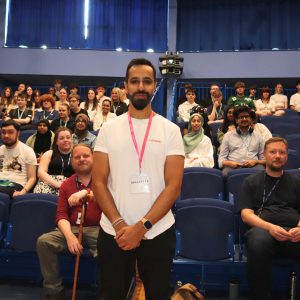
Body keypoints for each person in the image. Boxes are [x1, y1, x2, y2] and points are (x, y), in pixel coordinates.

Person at [92, 58, 184, 300]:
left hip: (157, 231)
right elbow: (98, 182)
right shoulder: (109, 129)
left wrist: (141, 227)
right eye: (135, 81)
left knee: (157, 295)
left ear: (154, 86)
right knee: (111, 294)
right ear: (126, 87)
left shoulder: (170, 130)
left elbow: (173, 186)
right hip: (114, 230)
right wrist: (121, 225)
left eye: (147, 81)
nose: (141, 87)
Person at [36, 144, 101, 300]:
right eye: (77, 157)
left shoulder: (103, 179)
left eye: (86, 156)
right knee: (44, 242)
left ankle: (104, 291)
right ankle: (54, 290)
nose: (82, 159)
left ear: (94, 158)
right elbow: (61, 215)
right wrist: (70, 237)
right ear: (72, 161)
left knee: (109, 248)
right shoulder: (67, 184)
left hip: (98, 229)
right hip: (72, 228)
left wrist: (86, 192)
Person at [240, 137, 300, 300]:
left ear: (287, 156)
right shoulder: (251, 181)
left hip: (292, 235)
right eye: (273, 152)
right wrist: (270, 227)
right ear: (265, 155)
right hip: (264, 233)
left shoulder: (296, 182)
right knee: (258, 241)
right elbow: (246, 215)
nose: (277, 156)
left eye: (282, 152)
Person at [218, 106, 265, 176]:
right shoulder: (228, 136)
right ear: (236, 120)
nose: (244, 119)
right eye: (241, 117)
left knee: (262, 172)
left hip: (253, 166)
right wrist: (230, 163)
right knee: (224, 173)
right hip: (233, 166)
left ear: (250, 118)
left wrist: (256, 161)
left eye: (246, 116)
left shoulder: (258, 136)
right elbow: (221, 159)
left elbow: (264, 160)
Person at [0, 120, 37, 197]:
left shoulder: (28, 151)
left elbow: (32, 178)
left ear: (18, 133)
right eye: (3, 132)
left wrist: (23, 191)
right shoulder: (0, 149)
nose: (6, 135)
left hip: (16, 184)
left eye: (10, 132)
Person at [34, 128, 74, 195]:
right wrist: (57, 184)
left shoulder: (77, 154)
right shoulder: (49, 153)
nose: (65, 140)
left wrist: (66, 185)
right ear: (56, 142)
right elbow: (41, 173)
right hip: (48, 183)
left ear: (72, 140)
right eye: (61, 138)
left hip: (70, 184)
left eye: (68, 138)